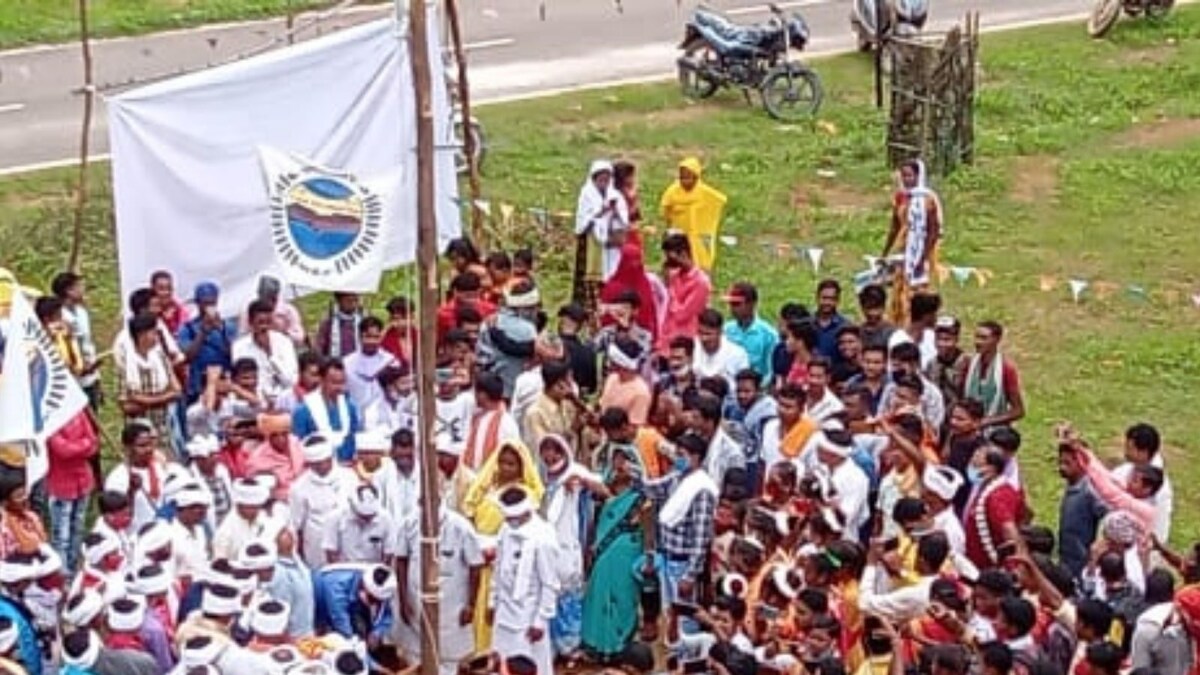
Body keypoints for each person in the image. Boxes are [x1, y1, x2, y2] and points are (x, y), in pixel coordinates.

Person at [462, 440, 545, 651]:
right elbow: (471, 511)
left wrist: (497, 550)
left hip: (505, 556)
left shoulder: (524, 495)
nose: (506, 468)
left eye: (512, 464)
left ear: (521, 466)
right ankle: (475, 650)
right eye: (502, 462)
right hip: (479, 552)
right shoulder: (488, 488)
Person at [539, 434, 607, 662]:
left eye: (555, 451)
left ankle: (570, 646)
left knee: (569, 596)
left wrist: (582, 481)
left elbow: (604, 491)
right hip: (547, 545)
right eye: (545, 451)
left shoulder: (574, 472)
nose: (549, 456)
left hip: (569, 543)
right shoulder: (541, 476)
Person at [394, 503, 484, 675]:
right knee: (415, 657)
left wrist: (471, 604)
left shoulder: (461, 527)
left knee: (449, 659)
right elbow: (400, 560)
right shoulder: (408, 523)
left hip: (452, 607)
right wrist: (403, 601)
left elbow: (476, 566)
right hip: (416, 604)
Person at [581, 444, 648, 661]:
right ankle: (597, 646)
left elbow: (646, 527)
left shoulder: (642, 496)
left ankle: (620, 647)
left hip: (627, 554)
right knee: (599, 595)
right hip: (603, 554)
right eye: (616, 460)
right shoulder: (600, 490)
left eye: (625, 460)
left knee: (622, 597)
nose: (620, 465)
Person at [489, 486, 561, 675]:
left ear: (526, 512)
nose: (509, 521)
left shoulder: (543, 537)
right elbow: (499, 567)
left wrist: (540, 621)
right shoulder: (505, 529)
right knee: (500, 663)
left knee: (529, 667)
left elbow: (550, 584)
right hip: (504, 613)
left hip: (528, 619)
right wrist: (492, 600)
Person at [641, 433, 718, 608]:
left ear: (696, 457)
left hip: (683, 564)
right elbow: (652, 489)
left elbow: (700, 539)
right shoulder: (677, 477)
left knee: (684, 617)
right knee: (669, 615)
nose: (677, 459)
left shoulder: (702, 489)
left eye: (681, 455)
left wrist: (690, 576)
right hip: (667, 558)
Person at [882, 158, 942, 323]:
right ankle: (899, 321)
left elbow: (933, 231)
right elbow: (894, 227)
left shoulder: (928, 199)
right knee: (899, 287)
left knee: (916, 290)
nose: (906, 180)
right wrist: (885, 252)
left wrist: (922, 257)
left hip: (921, 251)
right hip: (902, 249)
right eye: (903, 176)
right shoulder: (900, 197)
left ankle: (917, 323)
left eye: (910, 176)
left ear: (918, 176)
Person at [118, 312, 184, 457]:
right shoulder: (126, 363)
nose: (157, 336)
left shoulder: (160, 356)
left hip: (163, 428)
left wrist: (144, 399)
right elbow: (127, 405)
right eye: (154, 332)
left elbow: (177, 390)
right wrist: (164, 397)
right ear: (142, 335)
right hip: (139, 433)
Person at [45, 409, 98, 571]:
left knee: (78, 529)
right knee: (61, 537)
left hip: (83, 482)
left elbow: (94, 444)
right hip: (61, 485)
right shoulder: (49, 419)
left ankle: (74, 569)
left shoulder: (79, 413)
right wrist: (84, 444)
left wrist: (78, 446)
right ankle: (63, 574)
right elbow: (63, 451)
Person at [289, 435, 349, 569]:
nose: (323, 466)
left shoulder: (349, 477)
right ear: (309, 463)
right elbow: (296, 526)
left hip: (348, 542)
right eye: (317, 463)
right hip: (317, 547)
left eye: (326, 461)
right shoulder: (299, 487)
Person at [659, 157, 728, 271]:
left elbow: (720, 201)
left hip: (698, 235)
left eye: (688, 178)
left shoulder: (704, 192)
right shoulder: (673, 192)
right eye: (682, 177)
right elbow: (665, 209)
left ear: (696, 177)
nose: (685, 181)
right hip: (680, 234)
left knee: (700, 262)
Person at [105, 421, 174, 532]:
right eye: (142, 446)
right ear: (127, 448)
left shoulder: (159, 468)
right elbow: (115, 516)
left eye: (150, 444)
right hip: (135, 537)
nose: (148, 449)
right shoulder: (118, 477)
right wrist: (131, 492)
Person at [177, 282, 239, 405]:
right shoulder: (187, 328)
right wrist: (202, 333)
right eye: (205, 303)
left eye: (212, 303)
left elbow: (234, 355)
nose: (208, 307)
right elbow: (188, 356)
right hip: (197, 386)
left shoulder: (228, 326)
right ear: (198, 303)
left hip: (224, 383)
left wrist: (221, 330)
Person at [963, 447, 1025, 569]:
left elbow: (1010, 533)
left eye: (976, 463)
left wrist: (1013, 568)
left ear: (991, 469)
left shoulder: (998, 497)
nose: (971, 465)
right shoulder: (985, 488)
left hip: (992, 569)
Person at [292, 358, 360, 464]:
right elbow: (298, 445)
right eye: (334, 382)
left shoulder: (350, 406)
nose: (339, 387)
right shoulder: (303, 410)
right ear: (322, 380)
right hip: (317, 468)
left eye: (342, 382)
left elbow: (355, 436)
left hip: (348, 466)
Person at [312, 563, 396, 648]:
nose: (374, 605)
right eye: (372, 600)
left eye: (378, 601)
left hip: (350, 603)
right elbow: (340, 620)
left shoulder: (383, 589)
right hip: (316, 604)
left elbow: (385, 613)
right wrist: (356, 645)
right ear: (364, 586)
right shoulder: (338, 585)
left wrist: (376, 634)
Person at [232, 299, 299, 406]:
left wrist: (270, 354)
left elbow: (292, 381)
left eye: (268, 322)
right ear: (250, 322)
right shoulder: (239, 347)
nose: (265, 327)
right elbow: (240, 381)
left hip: (284, 401)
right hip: (254, 403)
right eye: (260, 322)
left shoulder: (284, 342)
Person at [52, 272, 103, 409]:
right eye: (79, 286)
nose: (83, 290)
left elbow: (87, 342)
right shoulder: (59, 317)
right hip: (73, 379)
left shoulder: (81, 312)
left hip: (90, 375)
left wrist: (97, 377)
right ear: (68, 291)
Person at [961, 321, 1025, 429]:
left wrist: (985, 422)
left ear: (997, 340)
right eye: (976, 337)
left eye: (984, 338)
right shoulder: (969, 364)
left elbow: (1018, 411)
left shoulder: (1006, 368)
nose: (978, 342)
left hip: (995, 431)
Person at [575, 159, 629, 282]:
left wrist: (616, 212)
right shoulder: (587, 194)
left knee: (612, 269)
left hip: (612, 240)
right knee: (594, 272)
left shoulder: (615, 195)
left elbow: (624, 216)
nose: (604, 183)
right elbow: (583, 217)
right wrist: (600, 212)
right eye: (601, 179)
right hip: (593, 240)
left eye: (607, 179)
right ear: (594, 179)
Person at [657, 233, 712, 352]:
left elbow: (682, 315)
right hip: (664, 341)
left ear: (683, 254)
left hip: (684, 343)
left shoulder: (701, 282)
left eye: (671, 257)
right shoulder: (674, 276)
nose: (668, 262)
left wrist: (669, 288)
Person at [463, 372, 522, 471]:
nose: (474, 396)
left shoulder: (506, 422)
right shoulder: (476, 417)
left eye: (475, 392)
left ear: (483, 395)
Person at [600, 244, 659, 340]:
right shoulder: (612, 287)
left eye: (637, 260)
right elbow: (606, 315)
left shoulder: (645, 283)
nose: (634, 264)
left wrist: (655, 336)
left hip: (643, 338)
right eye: (631, 260)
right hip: (616, 338)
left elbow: (651, 311)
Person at [244, 413, 305, 502]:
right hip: (279, 503)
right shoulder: (257, 458)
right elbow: (255, 490)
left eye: (284, 434)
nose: (281, 439)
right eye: (275, 435)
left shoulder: (296, 443)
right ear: (268, 436)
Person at [342, 316, 398, 411]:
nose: (372, 341)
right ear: (359, 336)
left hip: (384, 419)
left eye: (376, 337)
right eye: (368, 336)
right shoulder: (347, 363)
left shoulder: (391, 362)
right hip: (356, 417)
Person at [212, 478, 270, 560]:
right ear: (238, 505)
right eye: (250, 507)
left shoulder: (265, 519)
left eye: (256, 507)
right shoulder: (225, 532)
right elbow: (220, 563)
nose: (254, 511)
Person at [693, 308, 750, 391]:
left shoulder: (738, 354)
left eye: (708, 334)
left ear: (720, 332)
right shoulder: (692, 348)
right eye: (700, 333)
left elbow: (744, 386)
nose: (703, 339)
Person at [316, 292, 363, 359]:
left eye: (355, 300)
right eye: (349, 301)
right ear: (339, 301)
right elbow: (319, 348)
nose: (353, 304)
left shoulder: (362, 321)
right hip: (335, 364)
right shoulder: (328, 323)